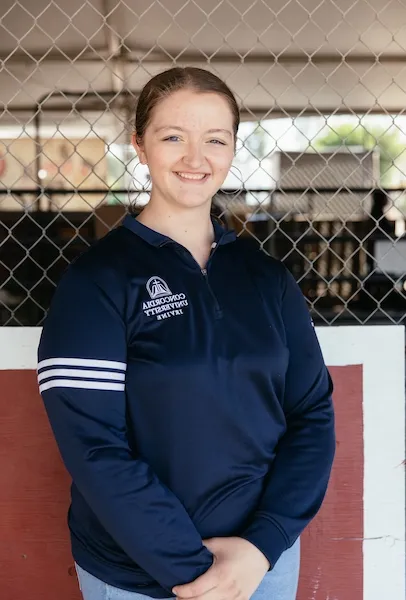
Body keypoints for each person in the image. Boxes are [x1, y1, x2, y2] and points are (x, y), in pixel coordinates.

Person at [37, 67, 335, 600]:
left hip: (261, 566)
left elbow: (311, 415)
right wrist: (196, 572)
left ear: (232, 150)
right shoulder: (96, 282)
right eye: (173, 137)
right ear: (139, 146)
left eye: (214, 140)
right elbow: (94, 447)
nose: (195, 159)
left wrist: (262, 547)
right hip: (140, 577)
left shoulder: (267, 278)